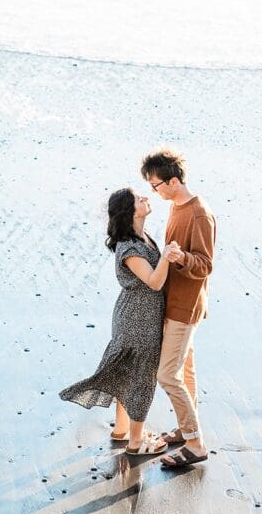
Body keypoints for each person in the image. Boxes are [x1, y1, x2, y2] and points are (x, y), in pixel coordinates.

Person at [59, 187, 178, 455]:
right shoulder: (130, 248)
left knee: (127, 372)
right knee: (141, 378)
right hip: (138, 320)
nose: (146, 198)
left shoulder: (143, 238)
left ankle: (122, 430)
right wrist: (169, 256)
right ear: (129, 212)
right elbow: (155, 282)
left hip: (139, 315)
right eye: (139, 199)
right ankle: (136, 443)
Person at [141, 149, 216, 468]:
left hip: (184, 307)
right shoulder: (176, 206)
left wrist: (181, 258)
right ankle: (188, 431)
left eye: (156, 185)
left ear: (173, 181)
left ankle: (196, 443)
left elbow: (205, 264)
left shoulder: (198, 213)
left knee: (167, 374)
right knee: (185, 370)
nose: (153, 192)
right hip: (174, 301)